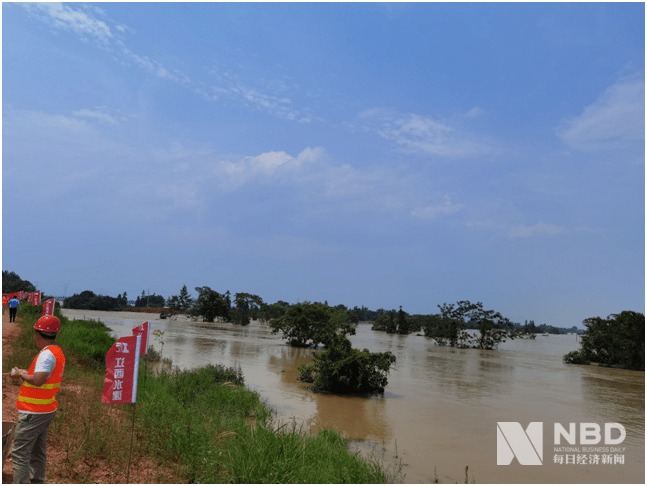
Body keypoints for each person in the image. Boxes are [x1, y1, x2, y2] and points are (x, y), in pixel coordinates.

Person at [10, 315, 65, 484]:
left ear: (38, 336)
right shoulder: (56, 352)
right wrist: (27, 373)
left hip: (33, 412)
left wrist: (20, 375)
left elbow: (39, 380)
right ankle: (38, 481)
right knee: (37, 451)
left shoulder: (47, 355)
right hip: (45, 409)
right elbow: (43, 377)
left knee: (20, 453)